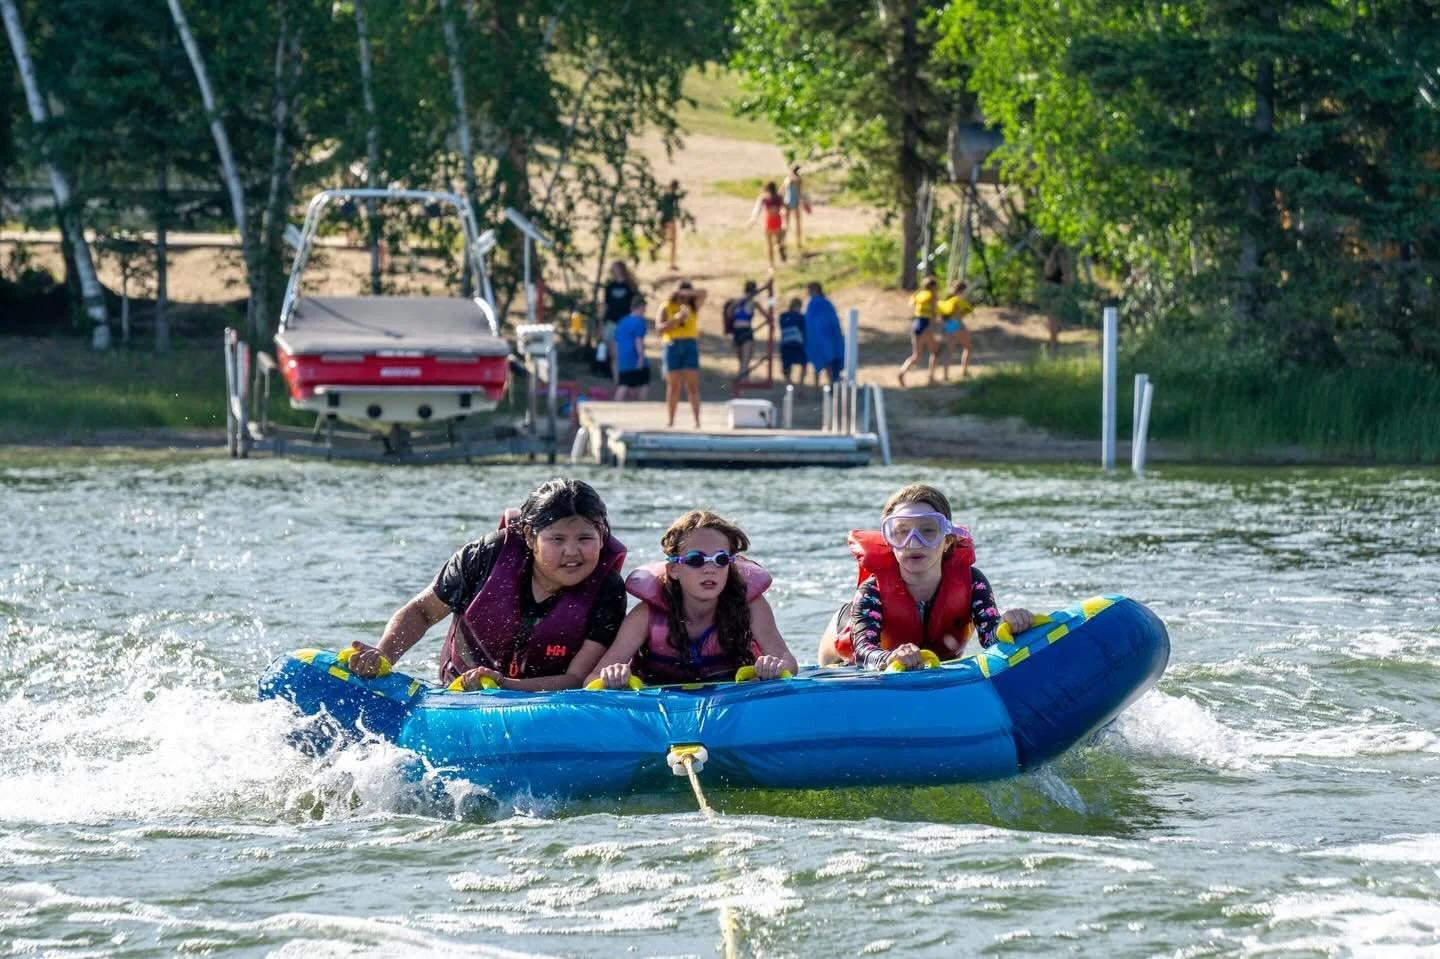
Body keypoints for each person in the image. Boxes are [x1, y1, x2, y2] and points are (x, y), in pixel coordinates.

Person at [346, 479, 627, 690]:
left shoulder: (607, 588)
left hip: (544, 704)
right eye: (557, 539)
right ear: (530, 536)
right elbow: (422, 612)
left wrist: (501, 685)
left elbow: (577, 678)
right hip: (454, 695)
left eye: (585, 539)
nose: (572, 551)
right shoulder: (486, 555)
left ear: (602, 537)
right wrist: (383, 654)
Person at [817, 484, 1034, 669]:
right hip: (844, 648)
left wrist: (1010, 624)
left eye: (928, 530)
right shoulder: (872, 591)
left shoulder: (973, 582)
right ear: (890, 542)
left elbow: (990, 638)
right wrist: (890, 657)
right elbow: (863, 652)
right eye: (901, 531)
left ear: (948, 539)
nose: (914, 542)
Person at [587, 510, 798, 688]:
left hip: (731, 700)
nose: (710, 569)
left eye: (720, 559)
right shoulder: (646, 615)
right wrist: (612, 676)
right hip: (661, 704)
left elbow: (788, 661)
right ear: (674, 569)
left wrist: (774, 667)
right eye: (696, 560)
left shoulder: (751, 606)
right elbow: (593, 678)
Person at [657, 280, 707, 428]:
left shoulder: (693, 307)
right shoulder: (666, 306)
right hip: (672, 344)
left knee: (692, 385)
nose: (684, 298)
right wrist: (676, 319)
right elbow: (659, 328)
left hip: (689, 344)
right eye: (682, 294)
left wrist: (687, 294)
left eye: (687, 294)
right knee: (673, 385)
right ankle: (671, 419)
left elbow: (703, 293)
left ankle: (697, 420)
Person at [725, 278, 774, 384]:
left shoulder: (736, 301)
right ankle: (742, 382)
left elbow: (729, 314)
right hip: (746, 332)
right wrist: (769, 295)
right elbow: (769, 316)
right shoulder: (751, 303)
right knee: (745, 361)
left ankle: (742, 383)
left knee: (742, 361)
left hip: (737, 332)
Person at [898, 275, 940, 388]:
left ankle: (902, 372)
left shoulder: (919, 295)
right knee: (936, 351)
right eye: (936, 287)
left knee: (916, 355)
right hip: (926, 325)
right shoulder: (931, 296)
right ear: (932, 287)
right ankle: (931, 377)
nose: (937, 289)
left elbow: (911, 306)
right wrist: (932, 326)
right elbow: (932, 312)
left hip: (916, 324)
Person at [600, 261, 638, 383]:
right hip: (611, 322)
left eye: (616, 268)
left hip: (626, 324)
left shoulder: (630, 287)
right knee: (614, 355)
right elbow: (605, 306)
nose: (614, 271)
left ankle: (628, 380)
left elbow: (636, 306)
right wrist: (600, 323)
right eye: (612, 269)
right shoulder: (609, 287)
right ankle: (617, 381)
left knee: (626, 353)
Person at [803, 281, 845, 386]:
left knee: (825, 363)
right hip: (823, 339)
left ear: (815, 290)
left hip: (822, 339)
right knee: (823, 363)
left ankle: (827, 386)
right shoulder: (822, 303)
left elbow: (811, 322)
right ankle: (824, 387)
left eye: (810, 290)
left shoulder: (819, 304)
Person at [613, 293, 651, 401]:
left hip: (623, 358)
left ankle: (616, 405)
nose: (644, 312)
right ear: (641, 307)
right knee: (644, 383)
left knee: (623, 384)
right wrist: (641, 357)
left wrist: (616, 359)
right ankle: (641, 405)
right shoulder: (639, 322)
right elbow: (638, 341)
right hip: (634, 358)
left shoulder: (621, 322)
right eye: (644, 309)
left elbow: (616, 342)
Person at [937, 279, 975, 381]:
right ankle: (964, 371)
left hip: (949, 326)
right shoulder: (959, 300)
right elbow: (964, 314)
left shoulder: (949, 300)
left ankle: (945, 375)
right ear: (962, 290)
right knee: (968, 347)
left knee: (950, 351)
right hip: (957, 326)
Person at [747, 181, 788, 270]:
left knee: (774, 244)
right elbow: (757, 208)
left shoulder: (771, 197)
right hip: (774, 222)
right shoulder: (772, 197)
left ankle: (773, 262)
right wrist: (753, 218)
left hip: (772, 222)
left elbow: (757, 209)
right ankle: (772, 264)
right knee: (773, 244)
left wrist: (753, 218)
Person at [782, 165, 811, 254]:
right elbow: (799, 192)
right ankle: (798, 242)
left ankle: (783, 242)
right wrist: (803, 203)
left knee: (785, 223)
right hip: (795, 202)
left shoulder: (787, 179)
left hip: (787, 202)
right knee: (797, 223)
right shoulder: (798, 180)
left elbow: (781, 190)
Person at [778, 297, 807, 386]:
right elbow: (804, 331)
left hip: (785, 343)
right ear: (798, 306)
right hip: (797, 343)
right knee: (803, 363)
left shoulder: (783, 316)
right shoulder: (801, 317)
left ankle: (788, 383)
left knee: (787, 364)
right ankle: (801, 383)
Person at [657, 180, 684, 270]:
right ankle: (672, 263)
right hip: (670, 219)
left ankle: (653, 249)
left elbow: (659, 207)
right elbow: (676, 209)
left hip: (662, 219)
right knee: (673, 242)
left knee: (663, 239)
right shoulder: (674, 197)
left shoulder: (664, 195)